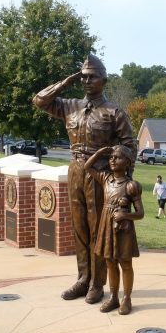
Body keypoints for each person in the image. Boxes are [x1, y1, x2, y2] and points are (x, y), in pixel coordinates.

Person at [33, 55, 136, 304]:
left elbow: (129, 147)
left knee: (97, 230)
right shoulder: (70, 106)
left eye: (92, 76)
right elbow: (39, 100)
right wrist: (66, 81)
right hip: (76, 171)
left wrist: (119, 185)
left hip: (100, 175)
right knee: (79, 228)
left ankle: (98, 284)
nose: (87, 81)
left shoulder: (113, 112)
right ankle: (83, 279)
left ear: (104, 80)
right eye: (83, 77)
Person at [85, 145, 143, 315]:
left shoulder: (131, 186)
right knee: (110, 262)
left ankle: (127, 298)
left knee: (125, 262)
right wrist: (98, 153)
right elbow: (87, 167)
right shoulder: (105, 179)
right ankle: (113, 298)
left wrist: (125, 216)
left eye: (117, 157)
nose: (112, 160)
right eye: (111, 157)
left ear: (127, 162)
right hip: (107, 225)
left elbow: (140, 214)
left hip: (123, 229)